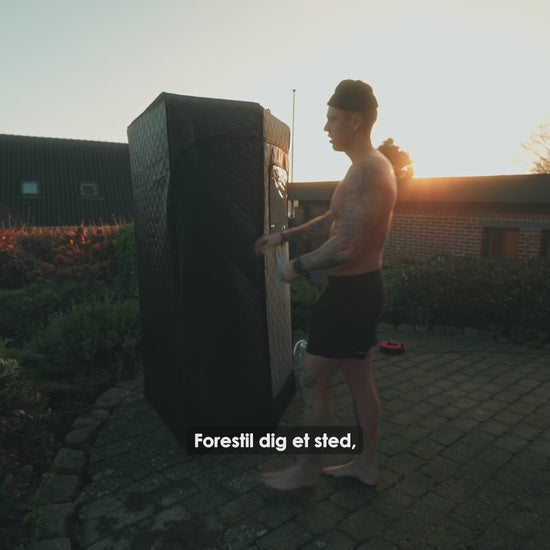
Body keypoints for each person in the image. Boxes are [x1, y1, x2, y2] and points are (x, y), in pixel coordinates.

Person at [254, 80, 397, 490]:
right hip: (362, 291)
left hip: (350, 297)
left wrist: (295, 267)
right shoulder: (366, 167)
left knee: (314, 380)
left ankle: (307, 468)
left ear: (355, 120)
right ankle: (366, 466)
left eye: (332, 119)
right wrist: (285, 236)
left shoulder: (368, 169)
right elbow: (336, 221)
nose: (326, 127)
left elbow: (347, 244)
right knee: (359, 379)